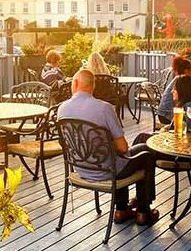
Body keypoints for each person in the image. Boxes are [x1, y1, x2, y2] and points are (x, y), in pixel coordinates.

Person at [57, 69, 159, 225]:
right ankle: (143, 212)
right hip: (106, 171)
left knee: (126, 150)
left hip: (81, 168)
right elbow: (123, 148)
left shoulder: (62, 109)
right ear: (93, 86)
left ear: (75, 84)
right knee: (145, 152)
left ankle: (122, 209)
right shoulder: (104, 108)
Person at [157, 56, 191, 124]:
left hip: (164, 113)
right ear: (186, 71)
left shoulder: (180, 79)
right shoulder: (181, 80)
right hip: (166, 115)